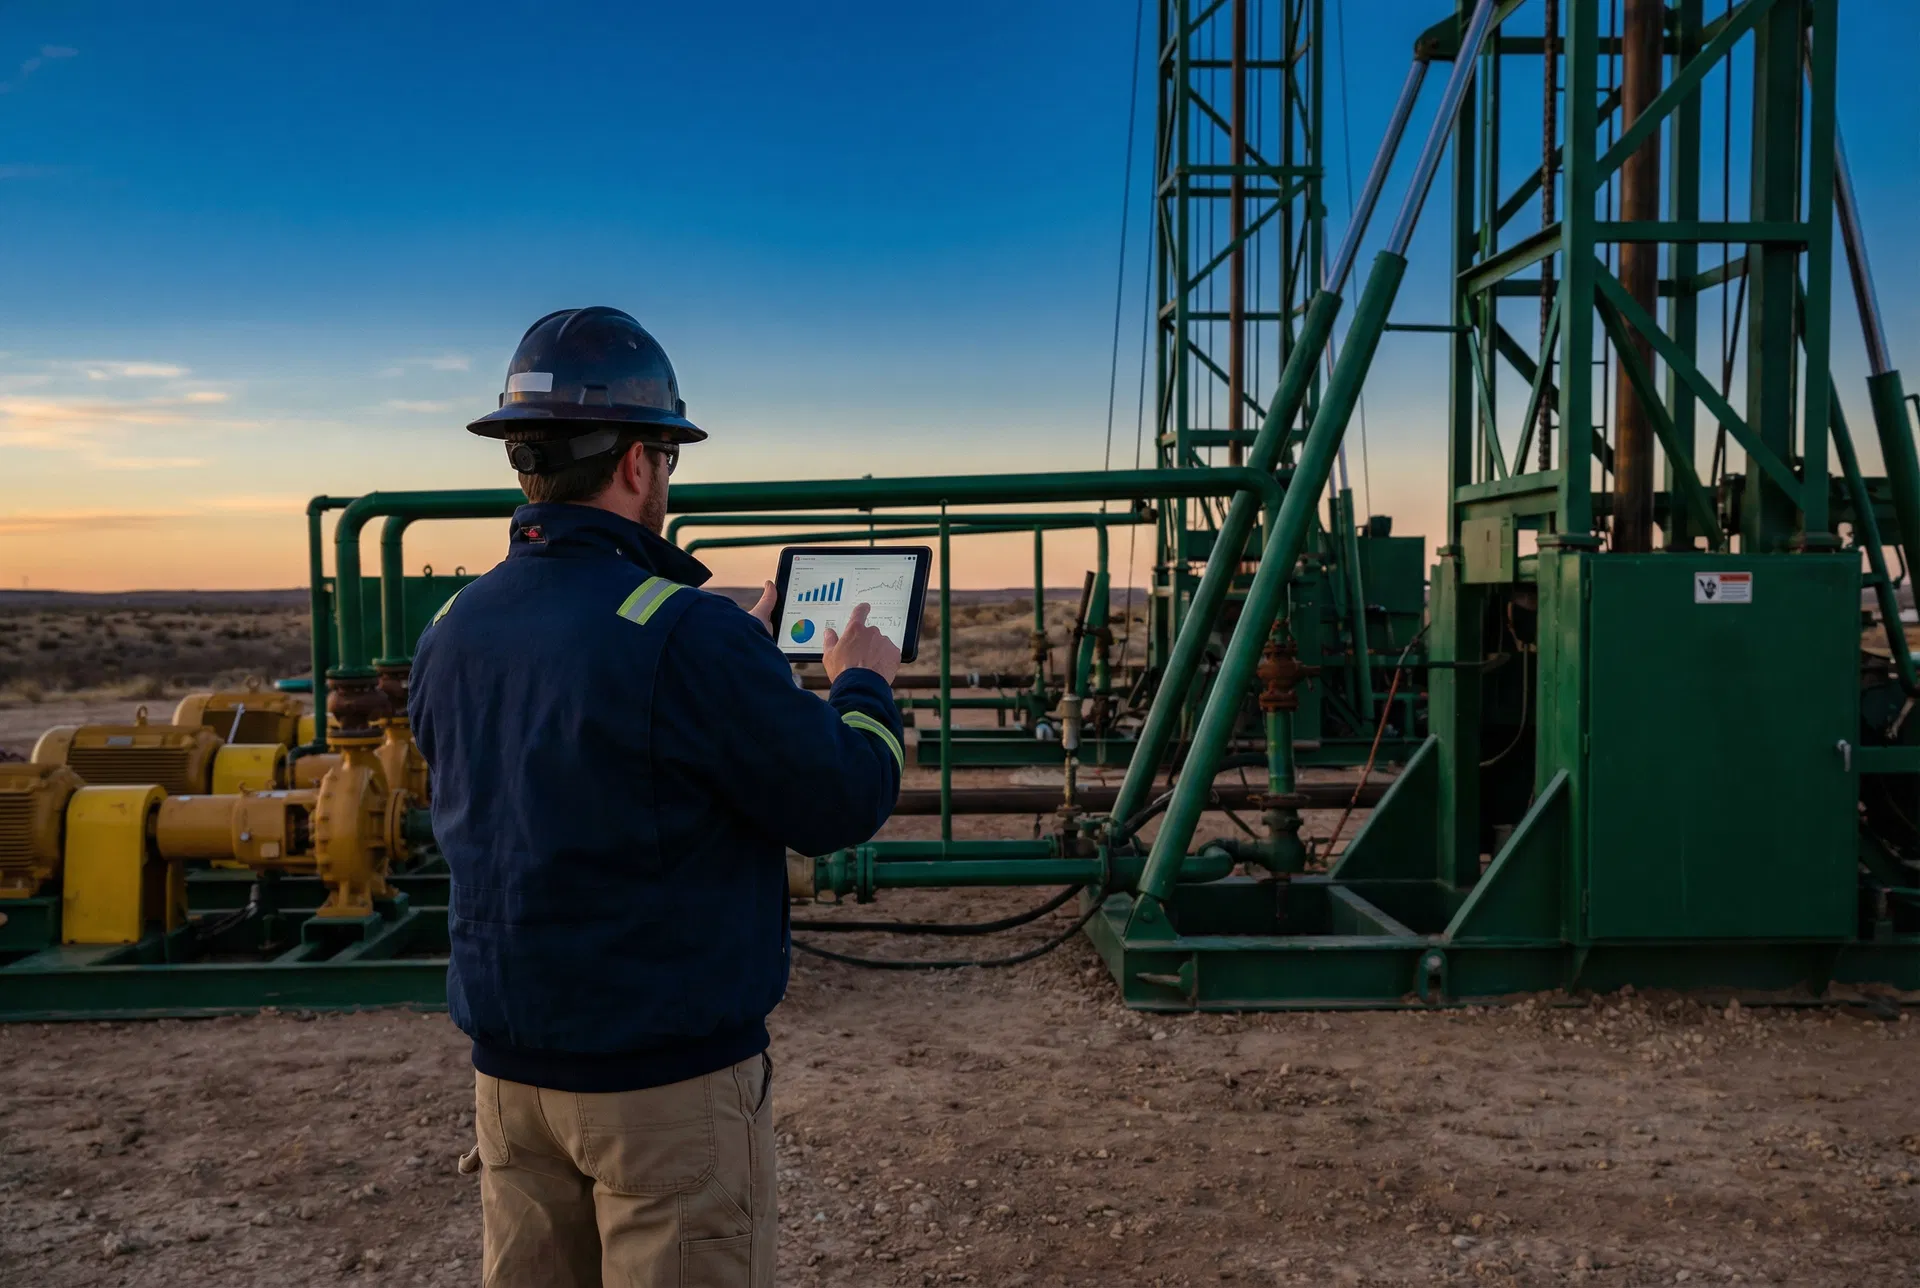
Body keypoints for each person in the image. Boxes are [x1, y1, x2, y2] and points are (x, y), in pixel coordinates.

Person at [408, 306, 904, 1288]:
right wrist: (862, 683)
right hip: (662, 1091)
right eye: (667, 462)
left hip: (510, 1077)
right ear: (638, 463)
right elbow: (841, 797)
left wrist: (737, 669)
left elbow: (570, 757)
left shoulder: (456, 626)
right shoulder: (684, 634)